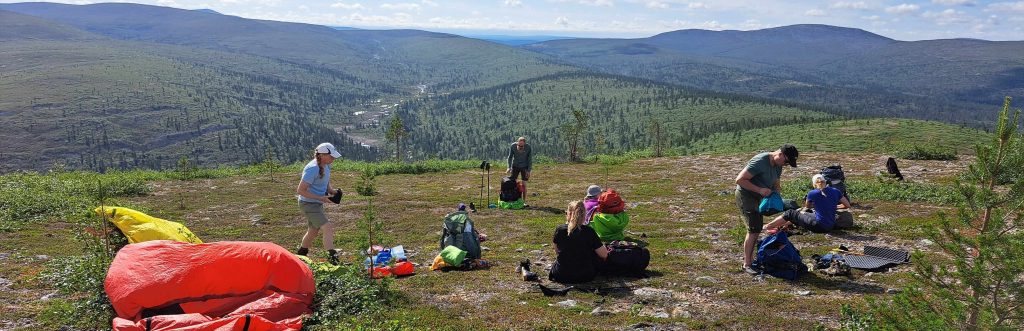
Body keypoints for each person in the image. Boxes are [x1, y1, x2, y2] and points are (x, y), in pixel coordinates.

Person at [735, 144, 798, 275]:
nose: (785, 165)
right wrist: (760, 190)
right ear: (780, 154)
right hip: (747, 195)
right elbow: (740, 180)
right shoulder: (760, 161)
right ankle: (747, 264)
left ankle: (752, 255)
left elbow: (776, 182)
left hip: (761, 197)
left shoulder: (778, 165)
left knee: (756, 228)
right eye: (786, 161)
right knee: (754, 229)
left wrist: (776, 193)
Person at [295, 142, 343, 265]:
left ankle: (301, 254)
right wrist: (321, 198)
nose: (333, 159)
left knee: (313, 230)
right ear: (321, 155)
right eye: (331, 156)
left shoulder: (326, 165)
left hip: (316, 203)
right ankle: (333, 259)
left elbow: (325, 180)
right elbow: (300, 190)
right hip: (308, 204)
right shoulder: (312, 168)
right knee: (327, 227)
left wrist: (331, 191)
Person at [764, 174, 851, 233]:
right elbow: (847, 205)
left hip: (819, 226)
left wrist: (818, 205)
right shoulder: (836, 191)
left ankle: (768, 226)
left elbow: (808, 206)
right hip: (830, 225)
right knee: (802, 215)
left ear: (814, 184)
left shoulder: (813, 193)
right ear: (825, 181)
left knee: (790, 213)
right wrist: (832, 206)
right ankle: (780, 226)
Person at [550, 200, 609, 283]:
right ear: (584, 215)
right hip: (585, 275)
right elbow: (604, 254)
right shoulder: (589, 231)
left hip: (561, 274)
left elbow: (557, 251)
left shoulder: (560, 230)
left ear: (568, 214)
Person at [506, 136, 532, 205]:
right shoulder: (513, 146)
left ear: (524, 144)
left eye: (522, 146)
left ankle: (524, 202)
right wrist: (509, 167)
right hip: (515, 166)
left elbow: (530, 160)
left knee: (524, 184)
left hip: (524, 166)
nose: (520, 147)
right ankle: (513, 198)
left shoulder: (528, 147)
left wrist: (529, 171)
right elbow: (510, 157)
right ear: (517, 143)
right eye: (519, 145)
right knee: (513, 183)